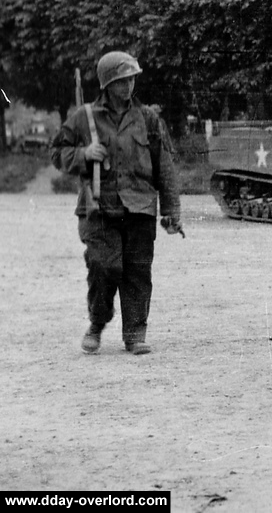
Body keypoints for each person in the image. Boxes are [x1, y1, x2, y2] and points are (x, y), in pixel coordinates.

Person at [50, 51, 181, 356]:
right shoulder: (84, 117)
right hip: (98, 208)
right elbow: (57, 152)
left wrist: (172, 210)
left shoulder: (148, 118)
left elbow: (165, 167)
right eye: (122, 80)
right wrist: (82, 154)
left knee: (137, 271)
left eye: (132, 78)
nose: (128, 85)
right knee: (103, 266)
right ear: (107, 83)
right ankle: (97, 323)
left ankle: (135, 334)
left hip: (140, 208)